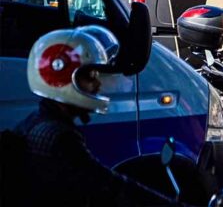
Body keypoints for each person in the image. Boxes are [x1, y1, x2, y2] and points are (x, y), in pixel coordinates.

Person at [12, 26, 178, 206]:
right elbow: (112, 188)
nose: (97, 85)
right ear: (59, 75)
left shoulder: (35, 122)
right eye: (90, 76)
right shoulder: (58, 138)